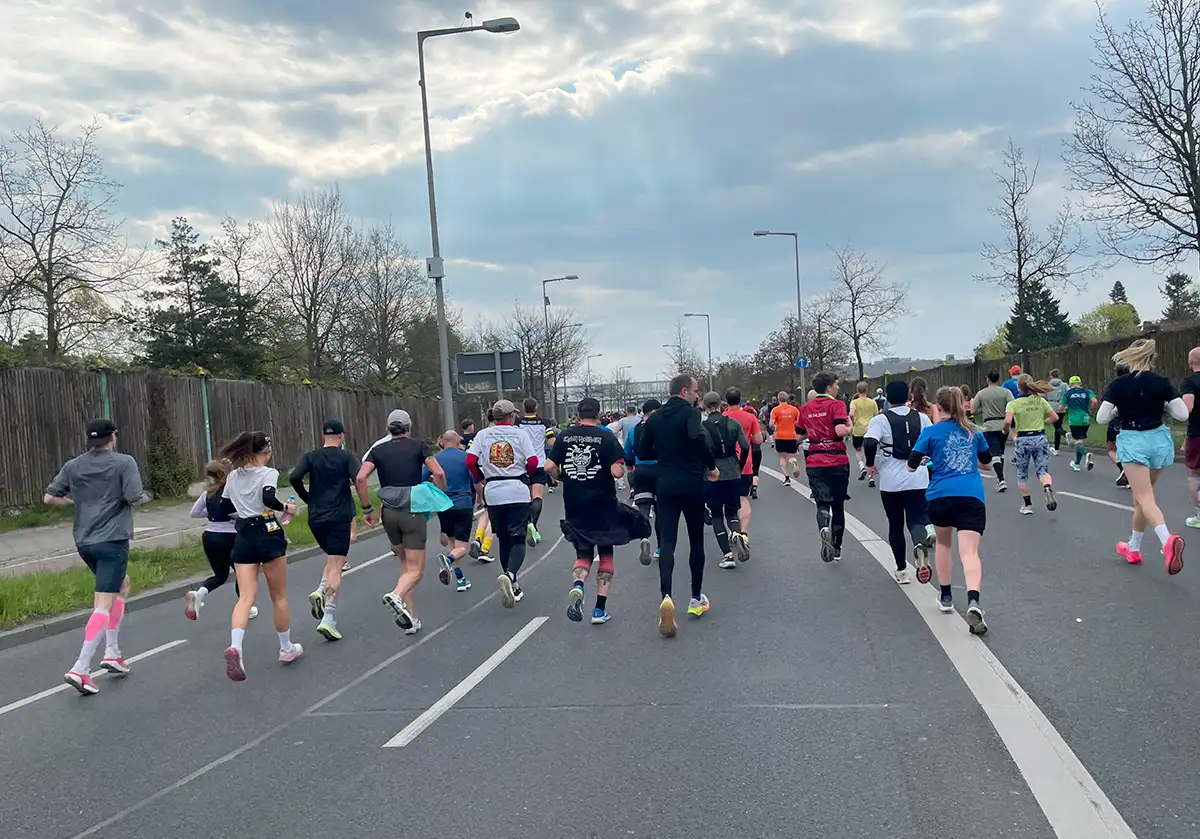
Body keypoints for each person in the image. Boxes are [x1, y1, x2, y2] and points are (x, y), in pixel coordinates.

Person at [45, 419, 149, 695]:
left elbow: (49, 498)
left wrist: (77, 502)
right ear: (113, 437)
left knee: (121, 585)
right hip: (112, 539)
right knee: (103, 601)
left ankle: (112, 652)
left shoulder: (73, 465)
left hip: (84, 540)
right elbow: (134, 495)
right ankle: (81, 667)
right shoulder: (124, 462)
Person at [636, 374, 717, 637]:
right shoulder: (691, 414)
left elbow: (644, 450)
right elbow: (698, 438)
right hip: (692, 482)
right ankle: (695, 598)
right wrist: (711, 465)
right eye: (695, 391)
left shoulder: (655, 417)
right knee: (696, 541)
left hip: (666, 483)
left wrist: (665, 452)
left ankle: (666, 596)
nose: (697, 395)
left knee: (667, 541)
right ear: (684, 392)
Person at [548, 397, 641, 625]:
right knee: (606, 553)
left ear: (578, 415)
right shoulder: (606, 437)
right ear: (598, 415)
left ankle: (578, 585)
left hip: (575, 504)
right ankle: (599, 610)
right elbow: (617, 473)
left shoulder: (565, 436)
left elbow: (548, 467)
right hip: (602, 503)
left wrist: (564, 478)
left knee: (583, 554)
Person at [1098, 339, 1187, 574]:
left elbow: (1101, 418)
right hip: (1158, 440)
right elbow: (1182, 414)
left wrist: (1118, 410)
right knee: (1140, 498)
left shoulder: (1118, 385)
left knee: (1145, 497)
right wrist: (1164, 406)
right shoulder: (1162, 382)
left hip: (1133, 439)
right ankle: (1133, 547)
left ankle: (1167, 540)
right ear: (1152, 358)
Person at [219, 431, 303, 681]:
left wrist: (242, 504)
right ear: (263, 452)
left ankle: (236, 646)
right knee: (278, 596)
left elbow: (224, 507)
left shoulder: (233, 475)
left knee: (245, 597)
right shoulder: (269, 473)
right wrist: (285, 507)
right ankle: (286, 648)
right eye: (269, 451)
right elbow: (268, 497)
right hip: (267, 531)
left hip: (243, 534)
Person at [910, 387, 993, 634]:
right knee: (970, 553)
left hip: (940, 496)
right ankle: (974, 601)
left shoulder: (931, 432)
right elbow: (986, 463)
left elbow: (912, 465)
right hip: (971, 495)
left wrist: (928, 459)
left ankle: (945, 596)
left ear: (938, 406)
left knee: (944, 545)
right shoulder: (974, 432)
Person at [357, 409, 445, 635]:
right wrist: (440, 493)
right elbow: (438, 472)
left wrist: (367, 508)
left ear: (388, 428)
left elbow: (360, 478)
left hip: (388, 511)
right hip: (412, 508)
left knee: (405, 565)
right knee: (417, 569)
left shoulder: (377, 450)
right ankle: (396, 595)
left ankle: (411, 618)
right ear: (409, 426)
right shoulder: (419, 446)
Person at [288, 420, 360, 641]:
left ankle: (320, 589)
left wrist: (306, 498)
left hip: (316, 516)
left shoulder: (310, 456)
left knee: (332, 558)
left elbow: (294, 477)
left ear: (323, 435)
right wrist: (365, 504)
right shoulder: (347, 457)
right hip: (338, 515)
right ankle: (328, 617)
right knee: (337, 565)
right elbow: (359, 478)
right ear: (342, 436)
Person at [467, 399, 541, 607]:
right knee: (518, 538)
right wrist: (527, 474)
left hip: (494, 491)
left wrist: (482, 477)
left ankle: (512, 581)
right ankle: (510, 574)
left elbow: (470, 461)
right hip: (516, 489)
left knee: (504, 538)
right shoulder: (519, 434)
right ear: (510, 416)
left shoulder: (482, 435)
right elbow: (533, 461)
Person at [864, 381, 934, 585]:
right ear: (908, 396)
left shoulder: (880, 420)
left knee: (895, 525)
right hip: (918, 477)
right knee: (917, 520)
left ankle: (902, 570)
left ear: (886, 398)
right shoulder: (922, 418)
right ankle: (919, 545)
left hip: (891, 481)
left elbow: (869, 442)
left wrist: (870, 464)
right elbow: (931, 442)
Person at [185, 459, 258, 622]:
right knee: (243, 572)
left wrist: (213, 515)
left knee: (220, 575)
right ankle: (246, 606)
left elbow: (194, 513)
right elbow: (242, 512)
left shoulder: (207, 494)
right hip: (231, 537)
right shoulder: (231, 492)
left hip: (210, 536)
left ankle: (199, 594)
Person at [797, 371, 852, 562]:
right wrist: (849, 428)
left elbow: (799, 434)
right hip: (836, 460)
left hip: (815, 460)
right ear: (829, 387)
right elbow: (839, 430)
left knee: (822, 502)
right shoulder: (837, 405)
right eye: (836, 384)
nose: (838, 388)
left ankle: (823, 526)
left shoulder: (806, 408)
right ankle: (836, 547)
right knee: (838, 505)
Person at [701, 391, 751, 570]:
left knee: (716, 515)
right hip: (732, 471)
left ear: (705, 407)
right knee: (731, 512)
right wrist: (740, 464)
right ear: (722, 405)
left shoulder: (702, 427)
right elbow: (745, 446)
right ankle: (737, 533)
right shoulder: (733, 424)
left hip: (711, 473)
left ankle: (727, 555)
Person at [428, 430, 475, 593]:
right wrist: (482, 499)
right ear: (456, 441)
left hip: (443, 505)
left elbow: (422, 478)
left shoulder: (434, 459)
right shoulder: (466, 457)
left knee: (451, 542)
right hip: (463, 503)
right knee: (462, 548)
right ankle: (448, 561)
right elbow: (475, 481)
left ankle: (460, 579)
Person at [1005, 376, 1059, 515]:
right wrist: (1042, 422)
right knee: (1042, 470)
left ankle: (1027, 504)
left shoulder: (1014, 403)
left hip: (1023, 438)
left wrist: (1009, 431)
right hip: (1040, 436)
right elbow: (1055, 417)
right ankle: (1047, 485)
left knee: (1022, 472)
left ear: (1018, 387)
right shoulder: (1040, 401)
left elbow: (1007, 420)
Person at [625, 397, 662, 564]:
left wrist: (632, 469)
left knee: (644, 508)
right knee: (662, 511)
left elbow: (628, 453)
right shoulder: (664, 427)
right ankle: (660, 548)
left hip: (641, 471)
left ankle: (644, 538)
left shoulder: (634, 430)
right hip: (661, 471)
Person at [723, 386, 763, 528]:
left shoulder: (722, 418)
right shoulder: (750, 417)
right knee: (743, 498)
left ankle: (734, 530)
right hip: (745, 462)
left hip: (726, 464)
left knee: (729, 501)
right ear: (740, 400)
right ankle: (744, 532)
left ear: (726, 401)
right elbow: (758, 440)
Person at [519, 397, 556, 547]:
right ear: (536, 408)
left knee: (526, 498)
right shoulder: (544, 423)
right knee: (537, 497)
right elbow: (551, 440)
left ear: (523, 408)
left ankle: (528, 525)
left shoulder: (518, 422)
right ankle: (533, 525)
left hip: (522, 464)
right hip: (539, 463)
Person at [972, 369, 1013, 492]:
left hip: (989, 425)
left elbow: (973, 411)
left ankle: (1001, 479)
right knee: (1001, 451)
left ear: (987, 379)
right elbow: (1012, 405)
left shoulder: (981, 393)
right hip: (1003, 424)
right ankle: (1000, 477)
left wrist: (984, 409)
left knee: (994, 453)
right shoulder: (1006, 392)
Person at [1061, 375, 1097, 472]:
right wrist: (1090, 409)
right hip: (1086, 418)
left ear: (1070, 384)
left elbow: (1061, 407)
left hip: (1074, 419)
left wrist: (1067, 407)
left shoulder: (1068, 393)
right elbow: (1094, 401)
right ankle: (1077, 464)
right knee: (1080, 440)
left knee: (1077, 442)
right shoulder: (1087, 391)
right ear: (1080, 383)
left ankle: (1086, 454)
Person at [1183, 347, 1200, 528]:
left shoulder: (1190, 382)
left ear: (1191, 362)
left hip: (1197, 433)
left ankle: (1199, 516)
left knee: (1194, 474)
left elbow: (1187, 409)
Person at [769, 390, 801, 485]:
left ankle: (787, 478)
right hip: (791, 436)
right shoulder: (794, 409)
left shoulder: (775, 410)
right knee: (791, 456)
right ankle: (793, 464)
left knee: (782, 457)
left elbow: (771, 423)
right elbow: (799, 423)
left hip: (780, 436)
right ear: (787, 399)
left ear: (778, 399)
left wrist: (775, 427)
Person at [849, 381, 878, 483]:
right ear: (867, 389)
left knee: (858, 450)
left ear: (857, 390)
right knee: (869, 452)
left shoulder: (854, 402)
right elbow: (876, 416)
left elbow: (851, 413)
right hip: (870, 430)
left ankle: (862, 467)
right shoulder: (872, 402)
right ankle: (871, 476)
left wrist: (852, 422)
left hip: (858, 430)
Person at [1108, 363, 1131, 488]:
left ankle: (1123, 468)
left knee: (1111, 448)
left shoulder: (1115, 386)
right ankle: (1132, 475)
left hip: (1116, 420)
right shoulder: (1136, 384)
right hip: (1133, 423)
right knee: (1130, 449)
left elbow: (1108, 405)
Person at [1046, 368, 1068, 455]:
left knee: (1056, 427)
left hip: (1051, 407)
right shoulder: (1064, 385)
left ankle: (1058, 446)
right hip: (1061, 406)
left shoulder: (1048, 385)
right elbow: (1069, 393)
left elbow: (1042, 395)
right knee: (1058, 425)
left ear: (1051, 376)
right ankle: (1057, 447)